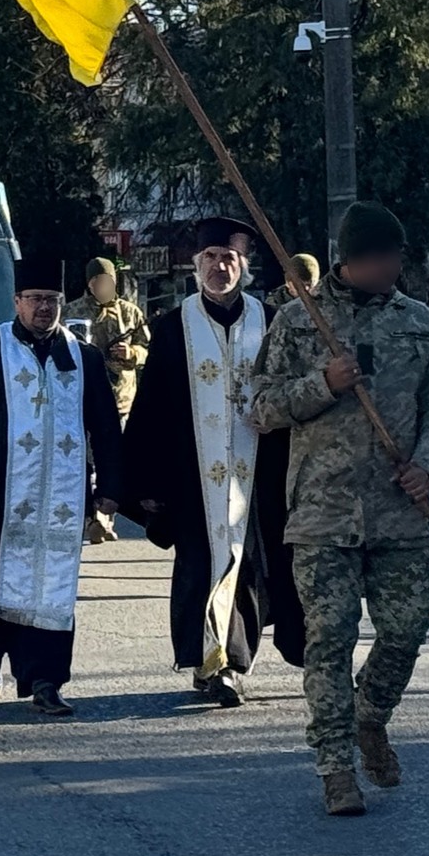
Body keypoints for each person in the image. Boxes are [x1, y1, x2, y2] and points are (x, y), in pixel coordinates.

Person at [252, 201, 429, 817]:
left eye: (395, 257)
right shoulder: (299, 321)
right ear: (348, 260)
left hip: (399, 510)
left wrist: (427, 465)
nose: (389, 268)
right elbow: (261, 408)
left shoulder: (418, 323)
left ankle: (369, 715)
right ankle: (335, 766)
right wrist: (324, 384)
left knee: (405, 631)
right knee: (329, 640)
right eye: (378, 257)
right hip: (323, 513)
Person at [120, 217, 304, 705]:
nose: (219, 267)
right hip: (192, 477)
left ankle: (232, 661)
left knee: (251, 568)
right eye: (210, 258)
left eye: (229, 258)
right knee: (201, 566)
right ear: (196, 265)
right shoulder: (173, 326)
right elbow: (152, 407)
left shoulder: (271, 322)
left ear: (244, 265)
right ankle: (212, 662)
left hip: (260, 475)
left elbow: (292, 392)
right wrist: (144, 481)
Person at [0, 254, 123, 717]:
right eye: (36, 299)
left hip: (62, 497)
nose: (44, 308)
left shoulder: (83, 356)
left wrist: (110, 487)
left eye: (53, 300)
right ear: (17, 302)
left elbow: (105, 427)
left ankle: (46, 681)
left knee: (53, 588)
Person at [68, 256, 150, 542]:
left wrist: (132, 353)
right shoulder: (72, 312)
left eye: (107, 281)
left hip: (121, 401)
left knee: (114, 460)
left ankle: (106, 518)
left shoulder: (130, 312)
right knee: (85, 461)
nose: (102, 286)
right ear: (89, 284)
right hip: (82, 399)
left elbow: (148, 348)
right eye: (97, 281)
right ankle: (90, 516)